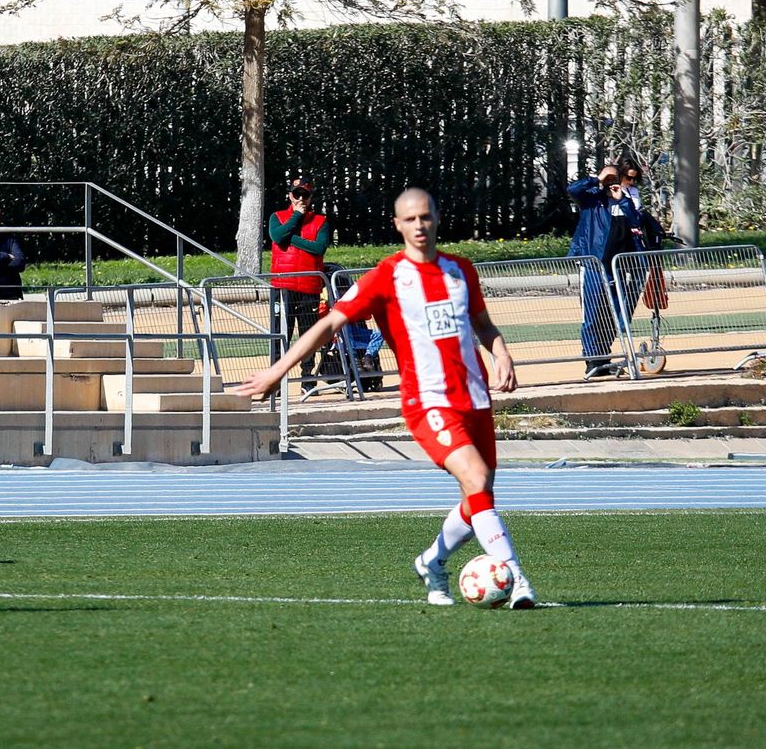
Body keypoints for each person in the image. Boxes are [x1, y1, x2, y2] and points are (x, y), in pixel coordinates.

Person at [235, 188, 537, 609]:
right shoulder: (386, 278)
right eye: (410, 219)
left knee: (479, 497)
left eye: (425, 217)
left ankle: (432, 562)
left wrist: (502, 353)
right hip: (427, 402)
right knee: (476, 479)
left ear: (436, 218)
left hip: (475, 398)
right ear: (397, 225)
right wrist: (277, 370)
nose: (419, 225)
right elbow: (328, 325)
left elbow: (483, 324)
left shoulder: (460, 270)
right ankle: (517, 578)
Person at [567, 164, 642, 378]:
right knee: (592, 313)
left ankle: (604, 357)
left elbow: (635, 221)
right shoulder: (592, 198)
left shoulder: (625, 200)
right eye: (625, 177)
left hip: (616, 266)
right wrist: (597, 179)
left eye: (631, 179)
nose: (630, 182)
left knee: (612, 315)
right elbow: (573, 190)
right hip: (593, 264)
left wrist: (623, 201)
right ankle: (591, 360)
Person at [268, 177, 332, 385]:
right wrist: (296, 216)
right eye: (297, 194)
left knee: (308, 335)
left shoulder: (320, 221)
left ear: (311, 197)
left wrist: (290, 238)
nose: (301, 198)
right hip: (282, 287)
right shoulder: (277, 217)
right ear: (290, 196)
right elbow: (277, 235)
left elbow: (318, 248)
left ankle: (307, 380)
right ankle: (276, 379)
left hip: (309, 285)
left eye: (305, 194)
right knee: (280, 334)